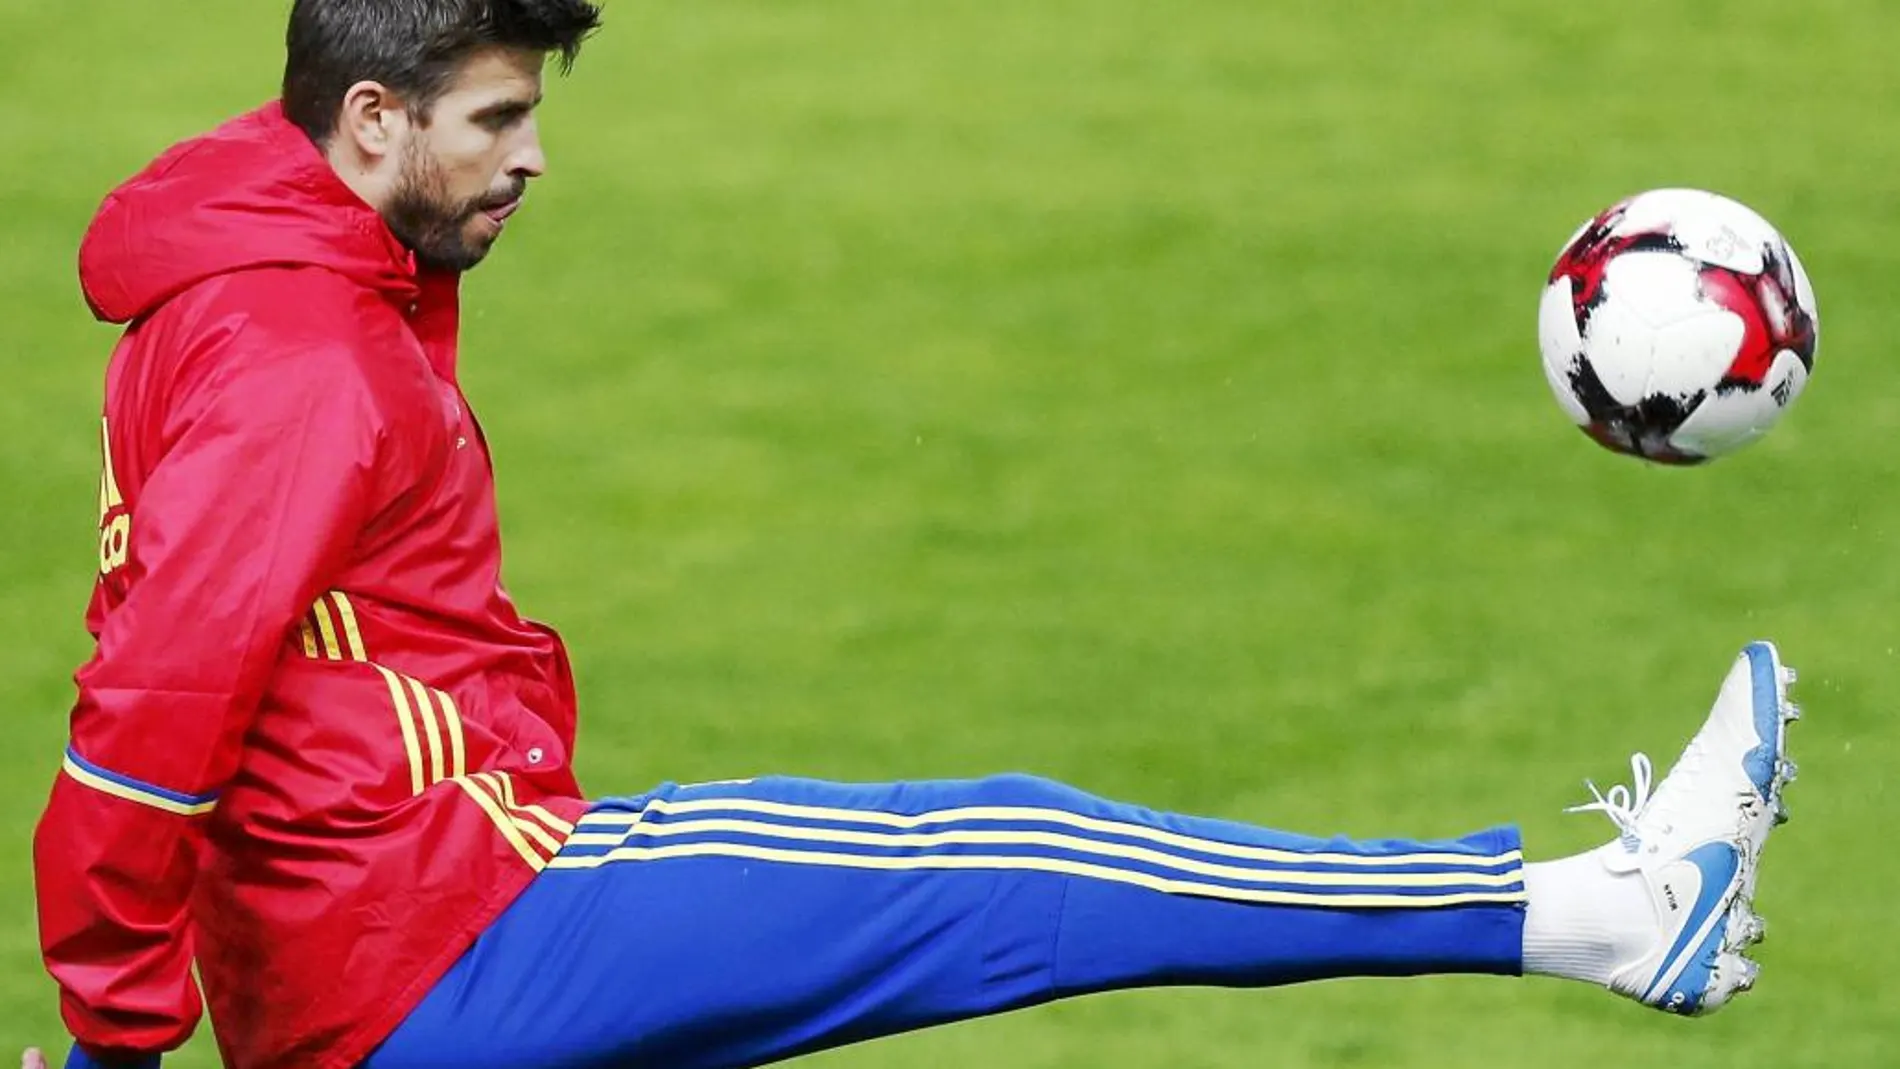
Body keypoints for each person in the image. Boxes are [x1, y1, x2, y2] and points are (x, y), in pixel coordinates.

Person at [26, 2, 1802, 1067]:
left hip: (375, 940)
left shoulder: (253, 272)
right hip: (428, 939)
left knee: (991, 861)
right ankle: (1612, 907)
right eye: (499, 120)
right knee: (1006, 862)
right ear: (370, 118)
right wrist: (117, 1041)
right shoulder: (305, 358)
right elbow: (150, 721)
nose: (533, 159)